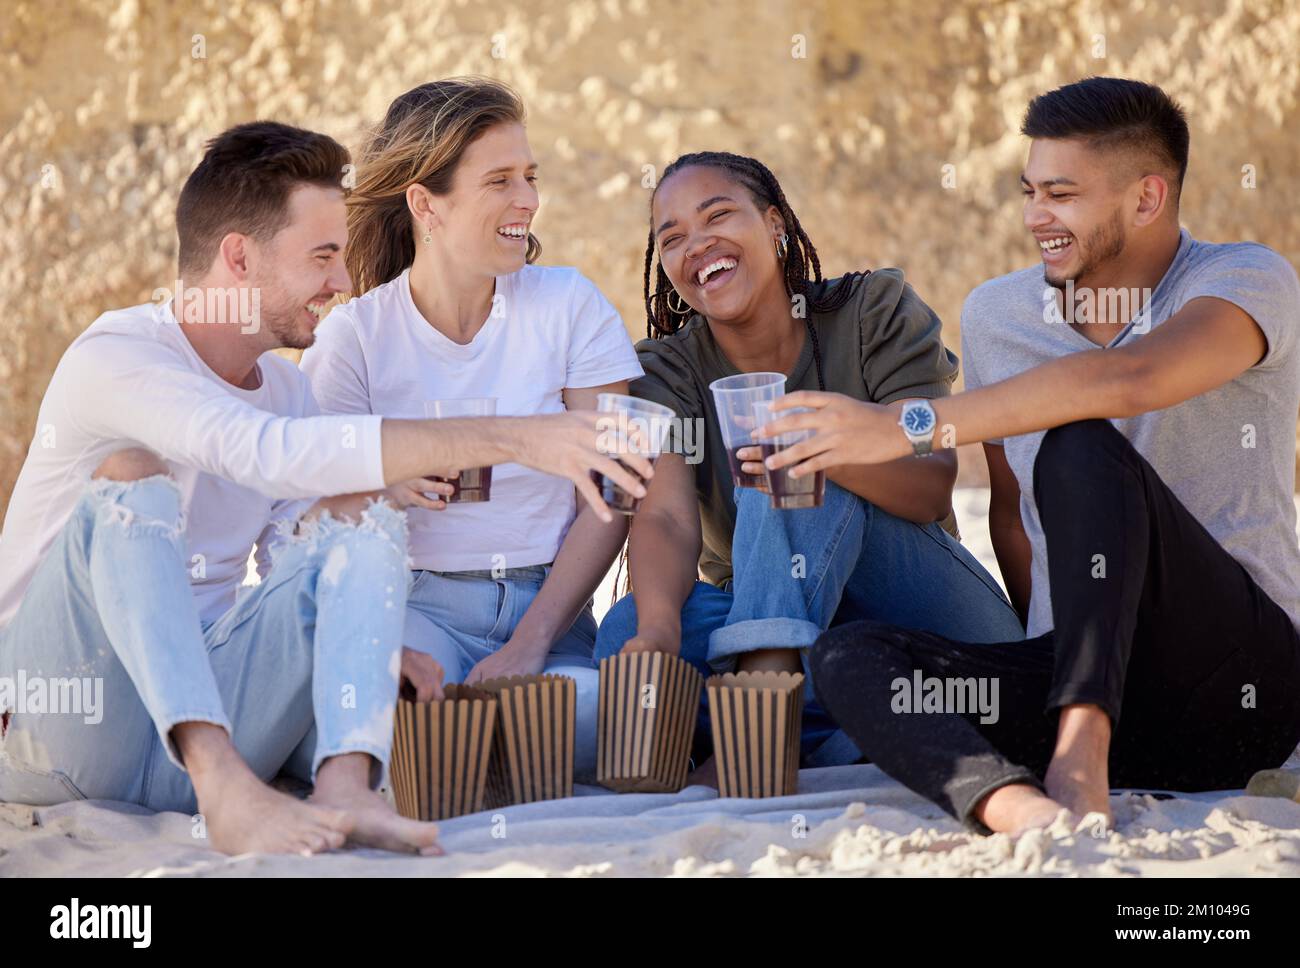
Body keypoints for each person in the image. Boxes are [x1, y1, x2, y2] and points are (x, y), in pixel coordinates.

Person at [0, 121, 650, 855]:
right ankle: (227, 794)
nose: (343, 284)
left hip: (198, 721)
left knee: (361, 514)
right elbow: (261, 452)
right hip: (57, 730)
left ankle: (348, 784)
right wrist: (516, 435)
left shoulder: (282, 387)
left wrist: (369, 646)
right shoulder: (117, 356)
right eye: (322, 257)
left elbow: (295, 547)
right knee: (131, 477)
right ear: (239, 257)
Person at [767, 77, 1300, 833]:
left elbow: (1130, 379)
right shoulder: (999, 314)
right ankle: (1018, 810)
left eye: (1060, 194)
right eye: (1028, 192)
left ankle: (1082, 752)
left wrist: (903, 426)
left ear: (1147, 199)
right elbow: (1013, 517)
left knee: (1079, 442)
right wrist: (1045, 653)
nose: (1033, 218)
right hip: (1081, 677)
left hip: (1241, 693)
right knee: (853, 657)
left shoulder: (1244, 280)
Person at [594, 150, 1024, 769]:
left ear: (774, 224)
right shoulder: (668, 369)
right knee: (626, 628)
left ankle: (760, 714)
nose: (697, 244)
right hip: (769, 606)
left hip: (921, 618)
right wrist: (658, 632)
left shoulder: (873, 312)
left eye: (718, 216)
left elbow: (931, 489)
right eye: (673, 238)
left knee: (792, 469)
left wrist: (823, 449)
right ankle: (836, 730)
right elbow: (661, 518)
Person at [301, 78, 644, 781]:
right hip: (415, 605)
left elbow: (611, 493)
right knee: (380, 719)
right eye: (499, 181)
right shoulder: (354, 340)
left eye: (529, 177)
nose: (528, 200)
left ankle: (476, 738)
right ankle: (457, 737)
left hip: (549, 605)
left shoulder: (569, 305)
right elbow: (305, 521)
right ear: (425, 203)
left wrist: (532, 639)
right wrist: (386, 490)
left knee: (597, 712)